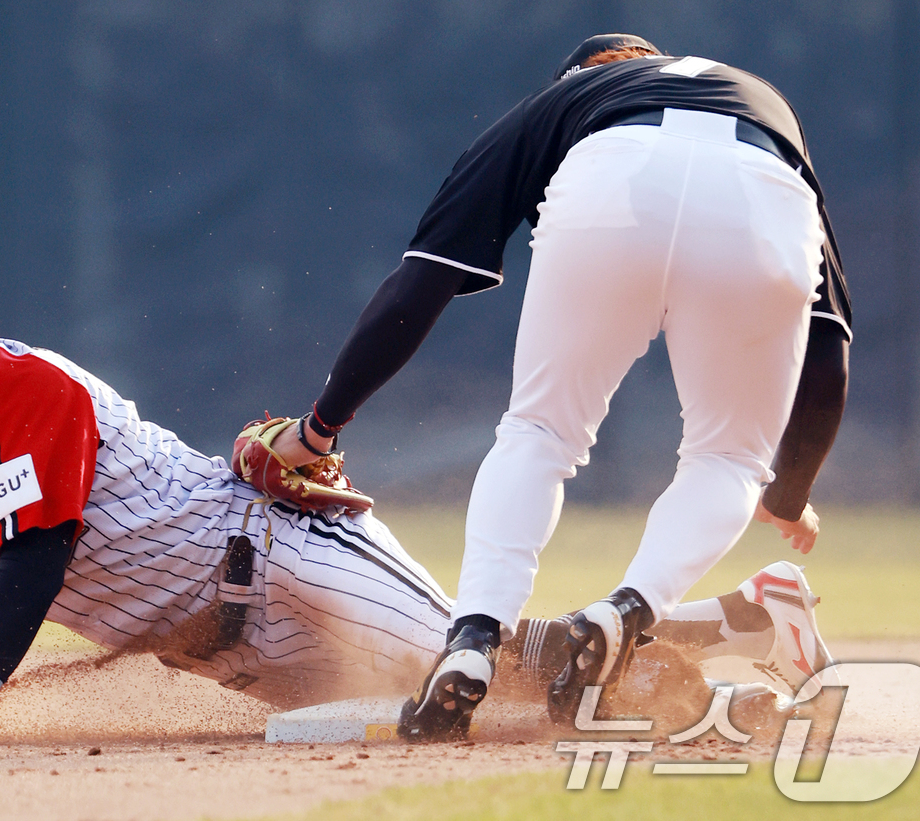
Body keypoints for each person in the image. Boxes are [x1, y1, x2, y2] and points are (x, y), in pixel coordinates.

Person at [0, 230, 834, 742]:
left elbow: (42, 544)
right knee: (510, 680)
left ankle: (731, 635)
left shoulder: (27, 385)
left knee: (495, 681)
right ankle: (742, 616)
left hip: (277, 556)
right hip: (214, 646)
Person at [259, 34, 851, 740]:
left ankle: (473, 640)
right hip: (761, 195)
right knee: (728, 461)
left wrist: (320, 426)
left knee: (539, 433)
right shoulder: (761, 101)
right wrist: (789, 493)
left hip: (611, 184)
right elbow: (829, 344)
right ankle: (626, 612)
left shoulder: (558, 104)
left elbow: (421, 281)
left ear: (575, 81)